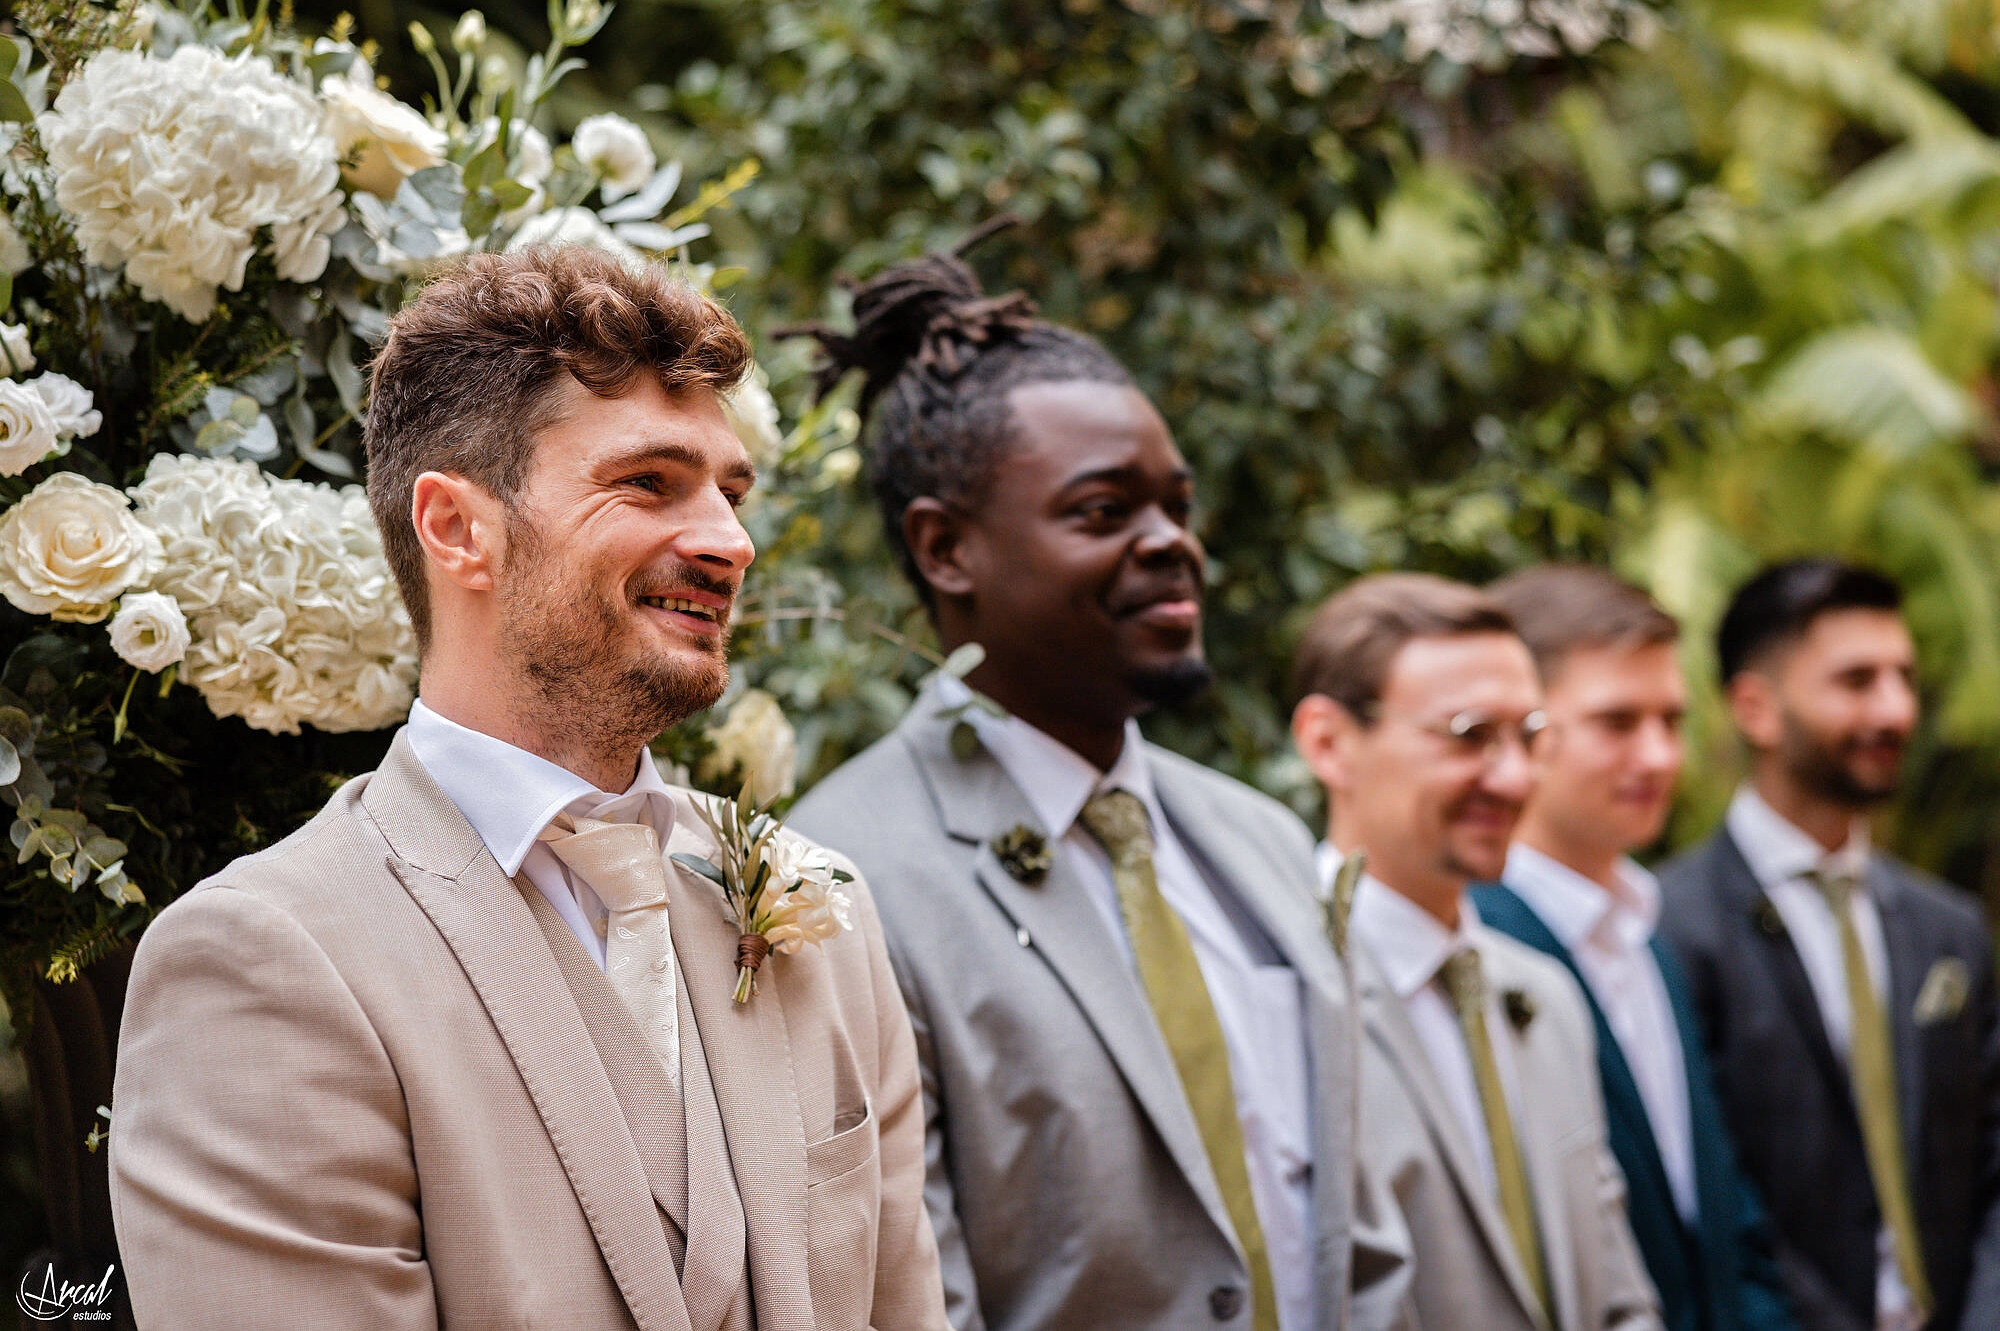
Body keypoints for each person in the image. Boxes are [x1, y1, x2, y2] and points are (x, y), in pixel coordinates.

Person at [108, 247, 946, 1330]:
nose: (730, 543)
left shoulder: (818, 904)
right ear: (458, 529)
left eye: (730, 493)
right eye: (648, 483)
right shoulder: (261, 963)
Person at [786, 228, 1362, 1331]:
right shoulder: (841, 883)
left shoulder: (1263, 841)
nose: (1171, 545)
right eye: (1104, 513)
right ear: (946, 549)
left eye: (1176, 508)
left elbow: (1358, 1241)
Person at [1290, 572, 1661, 1331]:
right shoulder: (1280, 988)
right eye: (1468, 736)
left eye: (1529, 738)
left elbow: (1618, 1290)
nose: (1516, 777)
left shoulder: (1545, 995)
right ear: (1329, 744)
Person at [1658, 559, 2000, 1331]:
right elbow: (1709, 1189)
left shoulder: (1950, 927)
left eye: (1903, 678)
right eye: (1856, 681)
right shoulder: (1671, 928)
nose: (1896, 709)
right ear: (1756, 708)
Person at [1469, 564, 1794, 1331]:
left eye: (1672, 721)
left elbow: (1721, 1213)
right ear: (1522, 730)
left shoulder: (1650, 931)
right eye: (1618, 723)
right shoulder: (1475, 945)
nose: (1658, 757)